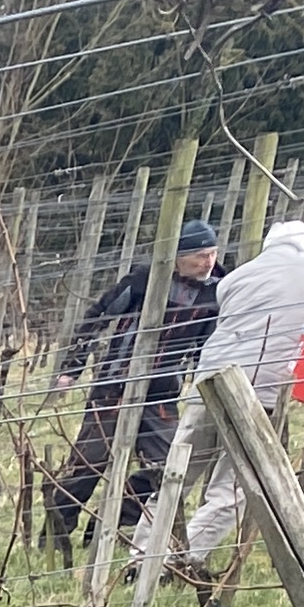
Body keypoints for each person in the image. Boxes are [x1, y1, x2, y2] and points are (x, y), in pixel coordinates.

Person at [176, 213, 304, 567]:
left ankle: (144, 553)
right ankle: (185, 556)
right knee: (235, 484)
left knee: (178, 471)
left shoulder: (235, 276)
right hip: (258, 388)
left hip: (208, 379)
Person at [43, 219, 221, 551]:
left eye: (212, 253)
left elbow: (207, 346)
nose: (208, 262)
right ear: (178, 256)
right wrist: (72, 368)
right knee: (88, 463)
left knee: (163, 467)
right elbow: (97, 317)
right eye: (200, 256)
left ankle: (114, 526)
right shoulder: (145, 278)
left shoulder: (217, 291)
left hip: (162, 394)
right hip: (115, 385)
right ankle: (54, 536)